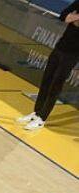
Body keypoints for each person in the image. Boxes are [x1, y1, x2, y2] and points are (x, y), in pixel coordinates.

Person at [17, 0, 79, 131]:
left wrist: (72, 18)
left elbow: (71, 20)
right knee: (46, 80)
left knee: (55, 85)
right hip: (60, 47)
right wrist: (76, 17)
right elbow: (63, 16)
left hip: (72, 54)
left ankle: (42, 118)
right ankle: (36, 112)